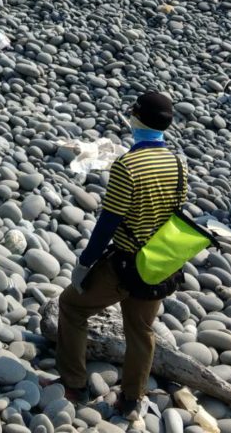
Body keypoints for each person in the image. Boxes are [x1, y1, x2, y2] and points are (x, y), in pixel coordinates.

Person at [55, 91, 187, 420]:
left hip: (124, 263)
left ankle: (75, 385)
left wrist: (85, 264)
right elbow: (175, 213)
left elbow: (108, 223)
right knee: (141, 332)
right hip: (158, 265)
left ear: (136, 120)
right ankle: (130, 401)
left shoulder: (127, 166)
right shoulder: (177, 164)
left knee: (72, 306)